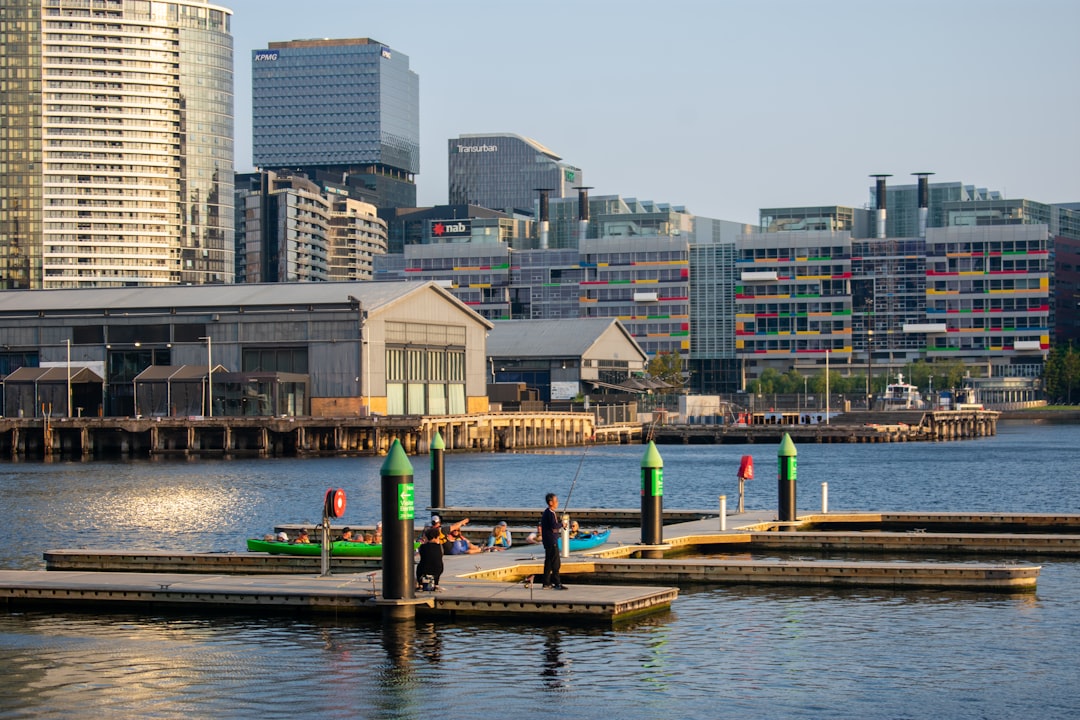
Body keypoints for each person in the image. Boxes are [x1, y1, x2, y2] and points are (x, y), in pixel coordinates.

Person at [541, 492, 567, 589]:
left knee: (548, 562)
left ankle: (546, 583)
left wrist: (558, 523)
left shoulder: (547, 512)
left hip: (548, 541)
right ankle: (557, 583)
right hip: (552, 541)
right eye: (556, 501)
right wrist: (562, 524)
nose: (558, 503)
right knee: (556, 563)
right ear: (550, 502)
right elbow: (553, 526)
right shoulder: (550, 513)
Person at [416, 526, 444, 591]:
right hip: (438, 569)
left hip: (424, 568)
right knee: (438, 565)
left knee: (419, 569)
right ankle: (436, 585)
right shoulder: (439, 546)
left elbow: (422, 555)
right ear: (437, 537)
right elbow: (441, 555)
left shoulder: (423, 547)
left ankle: (420, 585)